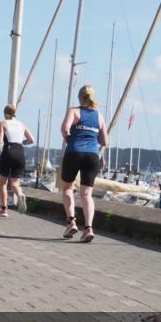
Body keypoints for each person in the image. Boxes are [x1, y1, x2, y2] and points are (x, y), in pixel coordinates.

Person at [60, 85, 109, 243]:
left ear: (80, 97)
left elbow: (64, 129)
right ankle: (88, 228)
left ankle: (71, 222)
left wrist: (69, 138)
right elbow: (104, 141)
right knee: (86, 194)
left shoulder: (74, 111)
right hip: (92, 155)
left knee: (67, 188)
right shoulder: (99, 116)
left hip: (74, 152)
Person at [0, 104, 34, 217]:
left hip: (8, 151)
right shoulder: (22, 125)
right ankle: (20, 194)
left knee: (2, 183)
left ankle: (4, 209)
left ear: (4, 113)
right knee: (15, 184)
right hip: (20, 152)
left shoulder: (2, 123)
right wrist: (22, 143)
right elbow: (32, 140)